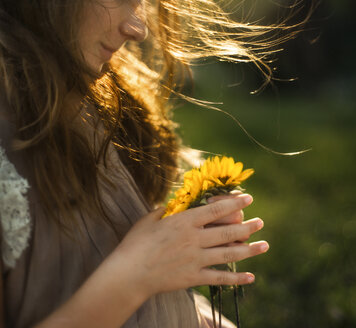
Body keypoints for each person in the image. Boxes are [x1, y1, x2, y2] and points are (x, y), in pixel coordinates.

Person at [0, 0, 276, 327]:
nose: (138, 29)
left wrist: (177, 249)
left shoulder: (93, 93)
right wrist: (139, 272)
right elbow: (132, 272)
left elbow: (101, 257)